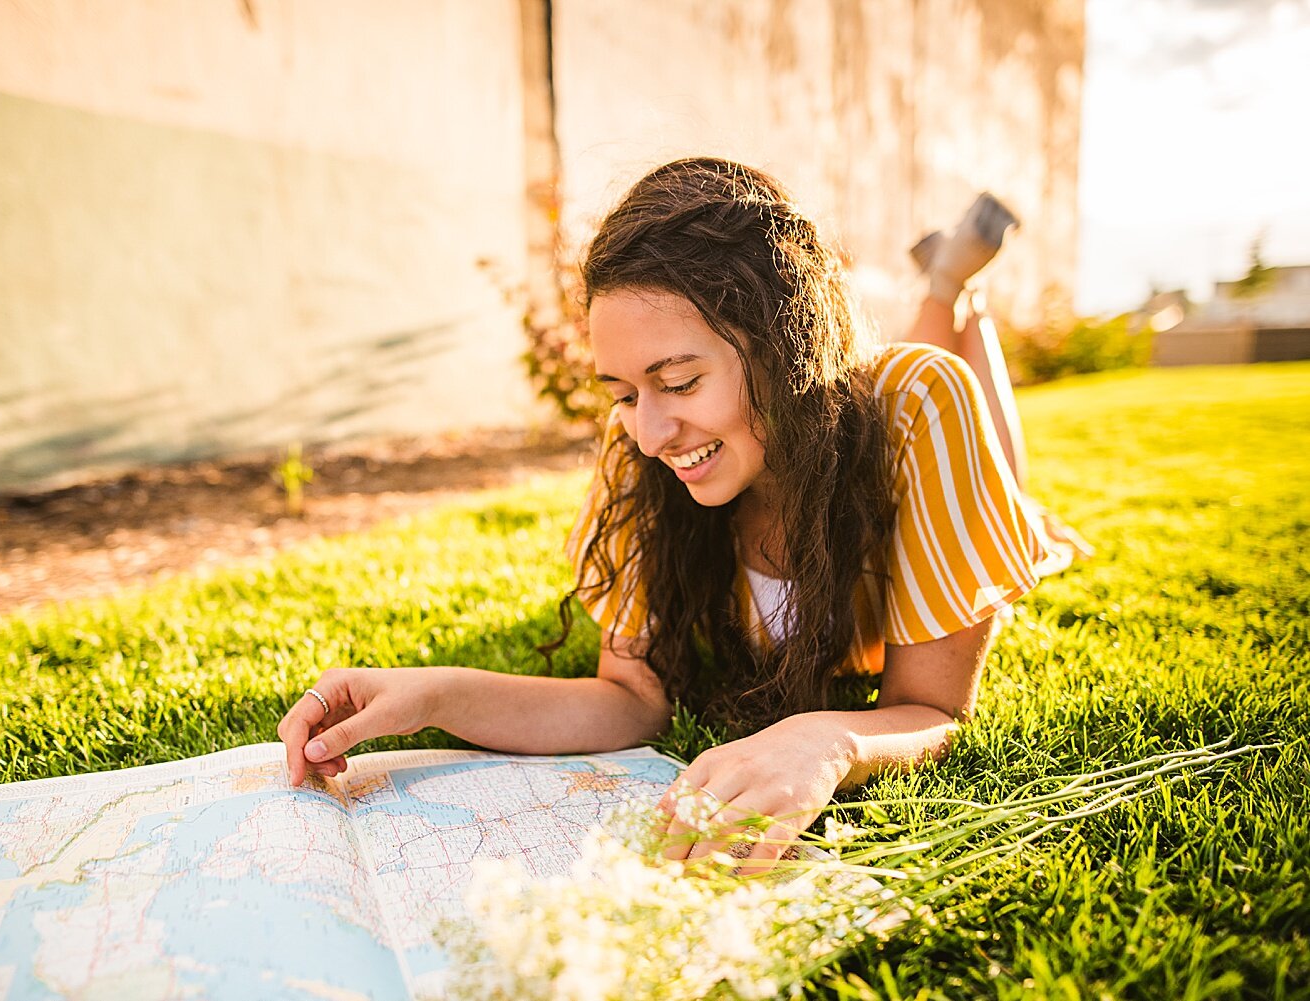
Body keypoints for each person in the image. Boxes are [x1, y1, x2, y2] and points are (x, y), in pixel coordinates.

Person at [277, 157, 1085, 869]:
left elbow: (935, 708)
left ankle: (952, 288)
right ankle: (947, 279)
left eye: (681, 381)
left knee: (975, 426)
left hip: (917, 455)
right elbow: (631, 696)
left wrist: (828, 738)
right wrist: (434, 694)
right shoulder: (641, 439)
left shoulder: (919, 412)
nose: (651, 431)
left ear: (782, 344)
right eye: (626, 392)